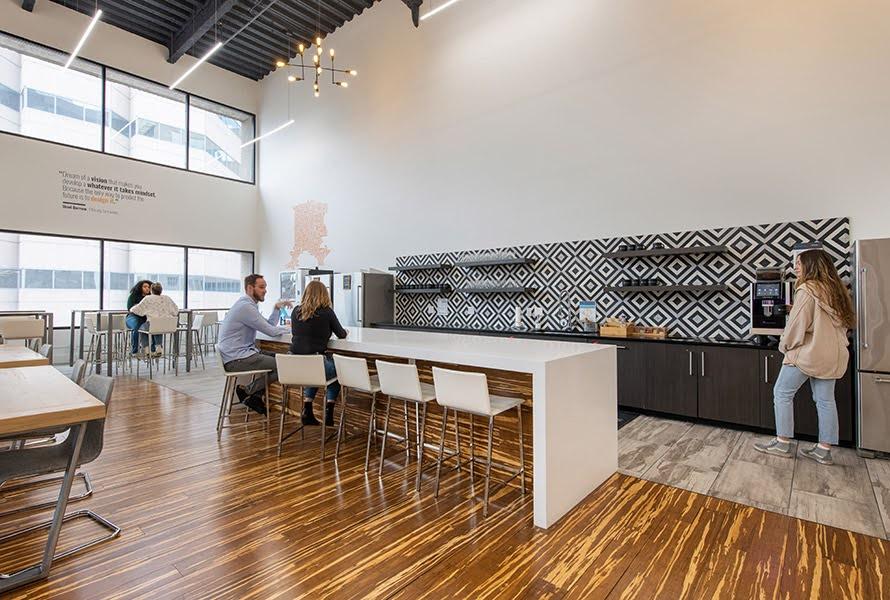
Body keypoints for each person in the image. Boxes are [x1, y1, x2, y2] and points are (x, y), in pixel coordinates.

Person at [754, 249, 856, 465]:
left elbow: (797, 327)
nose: (795, 267)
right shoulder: (836, 290)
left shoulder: (807, 289)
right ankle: (823, 450)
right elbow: (826, 320)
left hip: (809, 353)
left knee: (781, 392)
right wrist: (795, 308)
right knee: (825, 400)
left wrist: (784, 346)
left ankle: (782, 443)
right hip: (834, 354)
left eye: (799, 263)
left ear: (811, 265)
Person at [217, 274, 292, 415]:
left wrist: (276, 308)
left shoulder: (246, 305)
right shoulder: (246, 307)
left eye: (265, 287)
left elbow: (268, 325)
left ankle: (254, 396)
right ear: (250, 288)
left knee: (283, 359)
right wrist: (295, 329)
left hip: (238, 355)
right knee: (285, 364)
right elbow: (271, 331)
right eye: (262, 287)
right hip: (237, 359)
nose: (265, 290)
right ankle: (247, 391)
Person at [290, 280, 348, 426]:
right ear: (324, 295)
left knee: (317, 368)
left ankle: (307, 409)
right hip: (316, 364)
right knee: (337, 370)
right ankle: (329, 412)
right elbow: (341, 334)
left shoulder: (296, 311)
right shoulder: (327, 312)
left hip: (295, 366)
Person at [129, 282, 180, 356]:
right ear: (161, 290)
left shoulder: (148, 298)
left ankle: (146, 349)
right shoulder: (167, 298)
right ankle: (159, 347)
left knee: (142, 328)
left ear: (151, 290)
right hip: (169, 325)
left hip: (153, 324)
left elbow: (136, 310)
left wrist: (133, 307)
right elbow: (176, 311)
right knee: (158, 327)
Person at [126, 280, 152, 355]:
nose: (147, 288)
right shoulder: (133, 295)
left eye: (149, 287)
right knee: (137, 326)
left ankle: (151, 350)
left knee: (154, 326)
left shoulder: (151, 297)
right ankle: (135, 350)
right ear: (140, 287)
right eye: (145, 287)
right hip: (132, 317)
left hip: (145, 318)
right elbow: (130, 308)